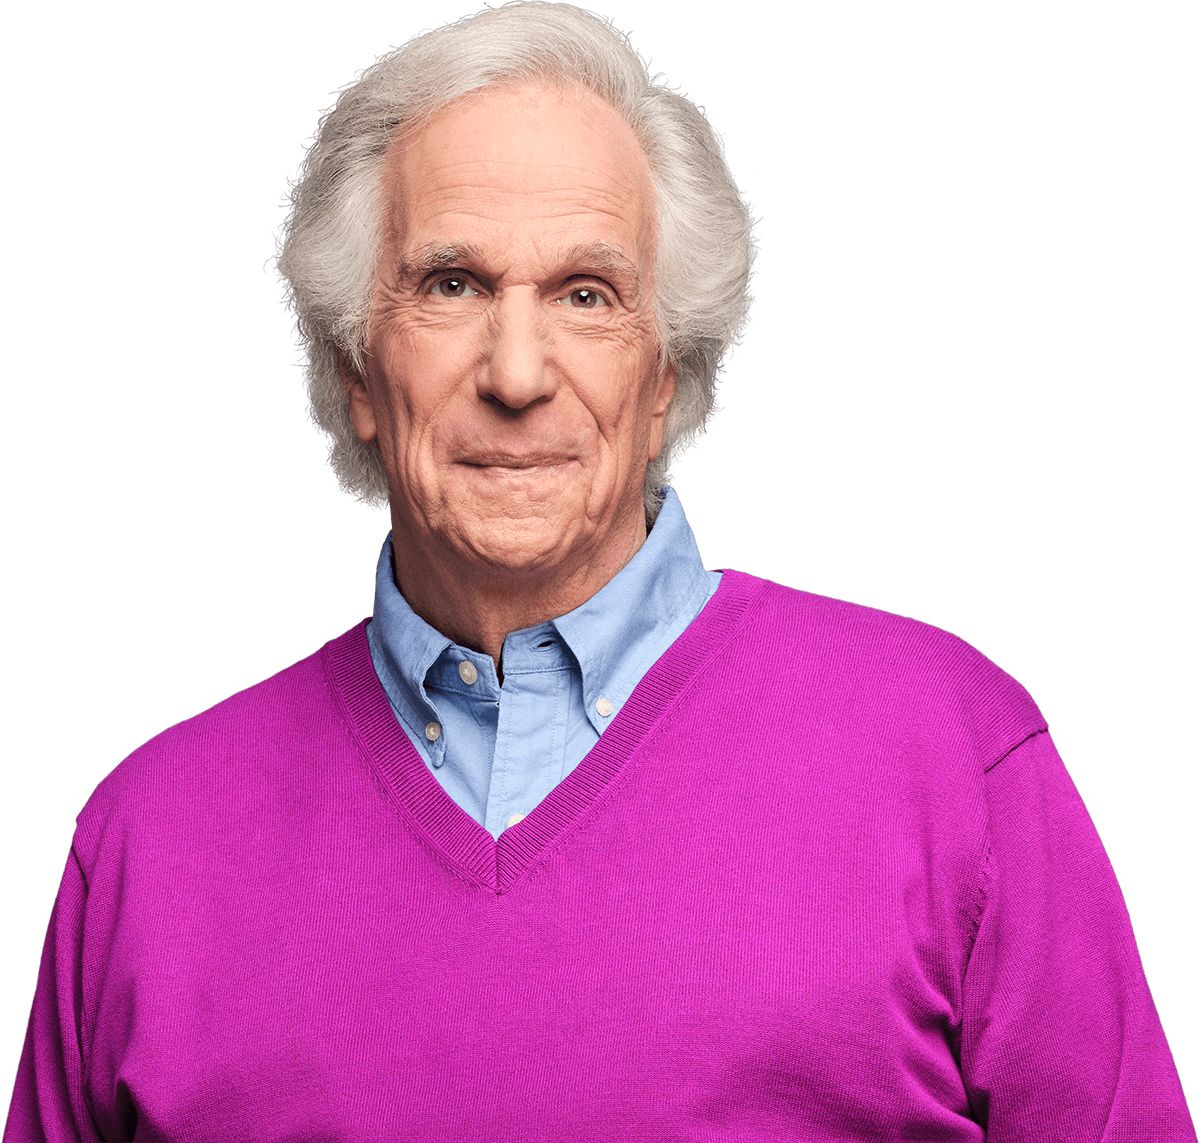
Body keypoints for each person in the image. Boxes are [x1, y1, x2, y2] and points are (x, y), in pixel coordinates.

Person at [5, 3, 1193, 1139]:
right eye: (452, 285)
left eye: (587, 295)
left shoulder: (950, 751)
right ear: (357, 371)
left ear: (665, 373)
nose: (517, 374)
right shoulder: (148, 841)